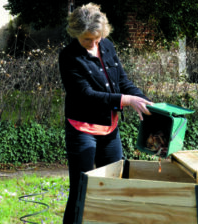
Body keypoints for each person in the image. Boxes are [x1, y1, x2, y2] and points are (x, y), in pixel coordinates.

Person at [59, 3, 153, 223]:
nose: (93, 44)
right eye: (86, 40)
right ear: (75, 34)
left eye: (97, 38)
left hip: (109, 128)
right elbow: (85, 95)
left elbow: (122, 81)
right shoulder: (69, 57)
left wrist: (142, 99)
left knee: (114, 184)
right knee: (82, 189)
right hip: (82, 129)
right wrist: (125, 100)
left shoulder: (108, 46)